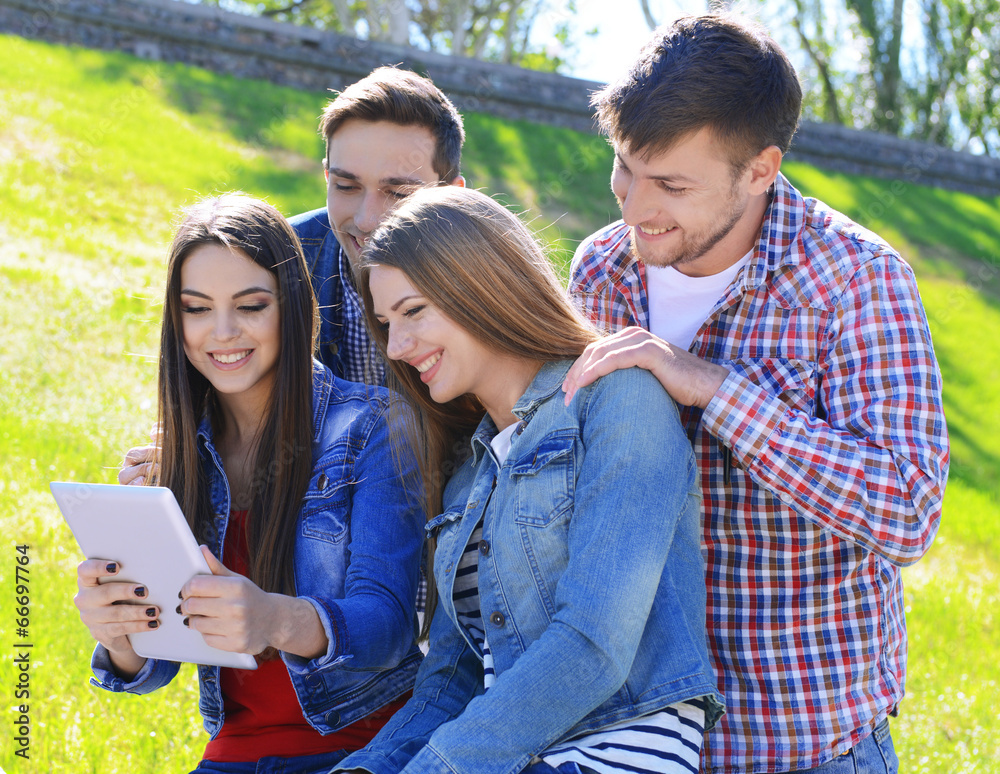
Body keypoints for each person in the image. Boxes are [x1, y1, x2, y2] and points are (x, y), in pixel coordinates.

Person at [560, 14, 949, 774]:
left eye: (671, 185)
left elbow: (906, 510)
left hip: (801, 741)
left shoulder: (857, 280)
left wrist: (711, 387)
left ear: (760, 170)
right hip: (631, 741)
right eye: (624, 167)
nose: (634, 207)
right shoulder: (601, 270)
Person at [332, 185, 724, 774]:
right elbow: (451, 677)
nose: (398, 345)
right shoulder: (470, 473)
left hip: (612, 750)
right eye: (387, 322)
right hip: (502, 757)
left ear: (481, 285)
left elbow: (596, 642)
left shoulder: (618, 398)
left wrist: (438, 769)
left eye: (413, 311)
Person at [73, 194, 425, 774]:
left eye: (250, 305)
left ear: (290, 306)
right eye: (196, 308)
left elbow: (386, 626)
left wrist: (273, 619)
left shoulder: (372, 426)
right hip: (237, 751)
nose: (222, 332)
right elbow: (154, 667)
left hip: (365, 745)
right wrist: (119, 633)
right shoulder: (175, 456)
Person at [120, 66, 466, 486]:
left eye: (398, 193)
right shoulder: (274, 262)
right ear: (326, 176)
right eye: (346, 186)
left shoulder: (488, 280)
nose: (367, 218)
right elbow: (216, 388)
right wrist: (185, 460)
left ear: (452, 194)